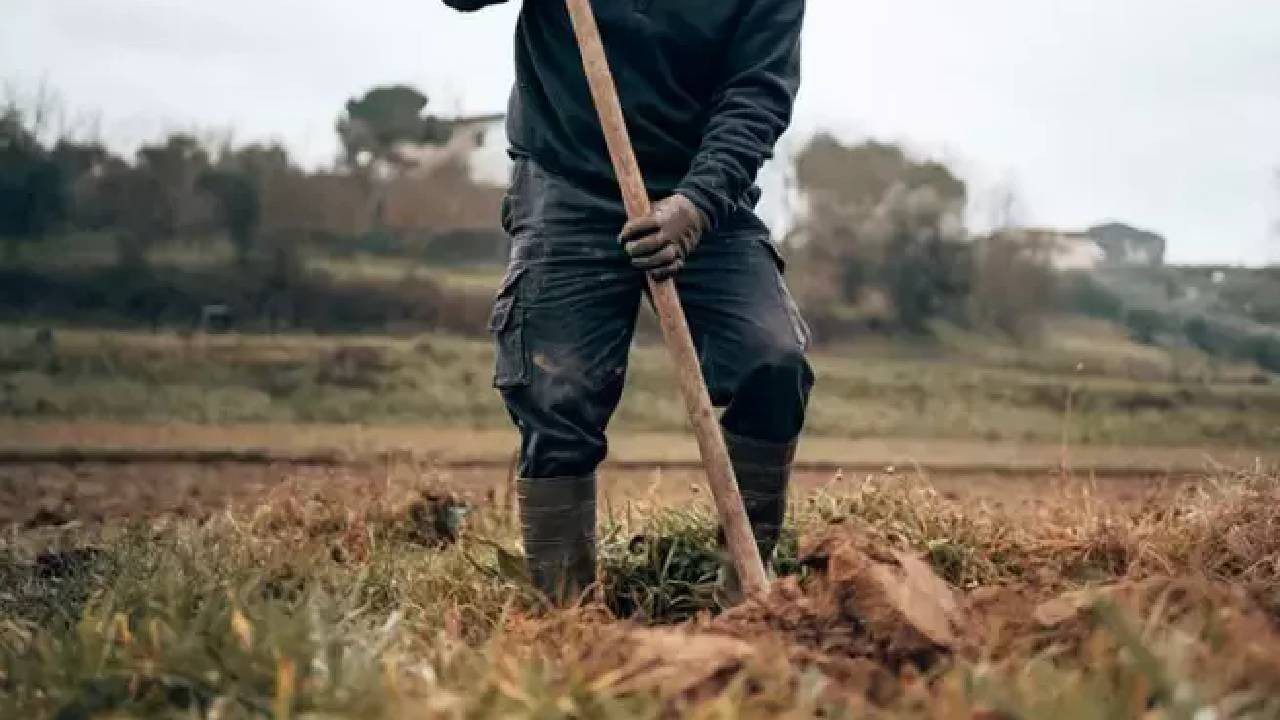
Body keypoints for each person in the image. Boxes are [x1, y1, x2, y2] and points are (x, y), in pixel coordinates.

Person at [443, 0, 813, 603]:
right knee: (557, 392)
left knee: (772, 361)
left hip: (702, 191)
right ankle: (566, 615)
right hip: (568, 182)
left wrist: (696, 206)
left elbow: (758, 96)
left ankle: (742, 600)